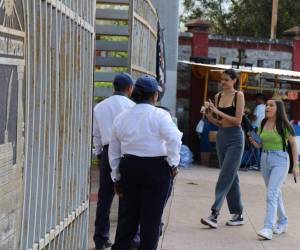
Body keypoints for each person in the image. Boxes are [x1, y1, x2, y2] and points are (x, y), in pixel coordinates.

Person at [109, 75, 182, 250]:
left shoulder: (122, 117)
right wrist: (173, 163)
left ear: (134, 93)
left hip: (130, 167)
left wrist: (116, 176)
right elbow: (174, 139)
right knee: (151, 221)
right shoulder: (161, 115)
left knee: (127, 219)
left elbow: (114, 150)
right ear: (155, 95)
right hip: (156, 169)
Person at [93, 73, 135, 250]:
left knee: (105, 197)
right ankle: (122, 241)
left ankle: (101, 239)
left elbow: (96, 133)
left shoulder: (100, 107)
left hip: (107, 150)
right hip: (126, 152)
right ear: (129, 88)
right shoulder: (133, 107)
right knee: (126, 198)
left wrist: (98, 152)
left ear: (114, 87)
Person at [200, 68, 245, 228]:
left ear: (234, 80)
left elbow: (238, 120)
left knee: (225, 175)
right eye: (222, 80)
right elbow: (219, 122)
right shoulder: (218, 96)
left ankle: (214, 214)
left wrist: (218, 110)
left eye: (226, 79)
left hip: (236, 138)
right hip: (222, 136)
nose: (223, 82)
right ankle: (238, 214)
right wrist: (209, 114)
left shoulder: (238, 95)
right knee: (231, 176)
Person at [248, 99, 299, 240]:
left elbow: (294, 145)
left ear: (278, 109)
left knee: (271, 193)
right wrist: (254, 142)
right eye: (267, 105)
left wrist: (296, 166)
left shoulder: (284, 125)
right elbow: (260, 145)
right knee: (275, 193)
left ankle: (268, 228)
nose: (267, 107)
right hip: (265, 159)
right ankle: (283, 222)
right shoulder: (263, 123)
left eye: (271, 105)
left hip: (280, 160)